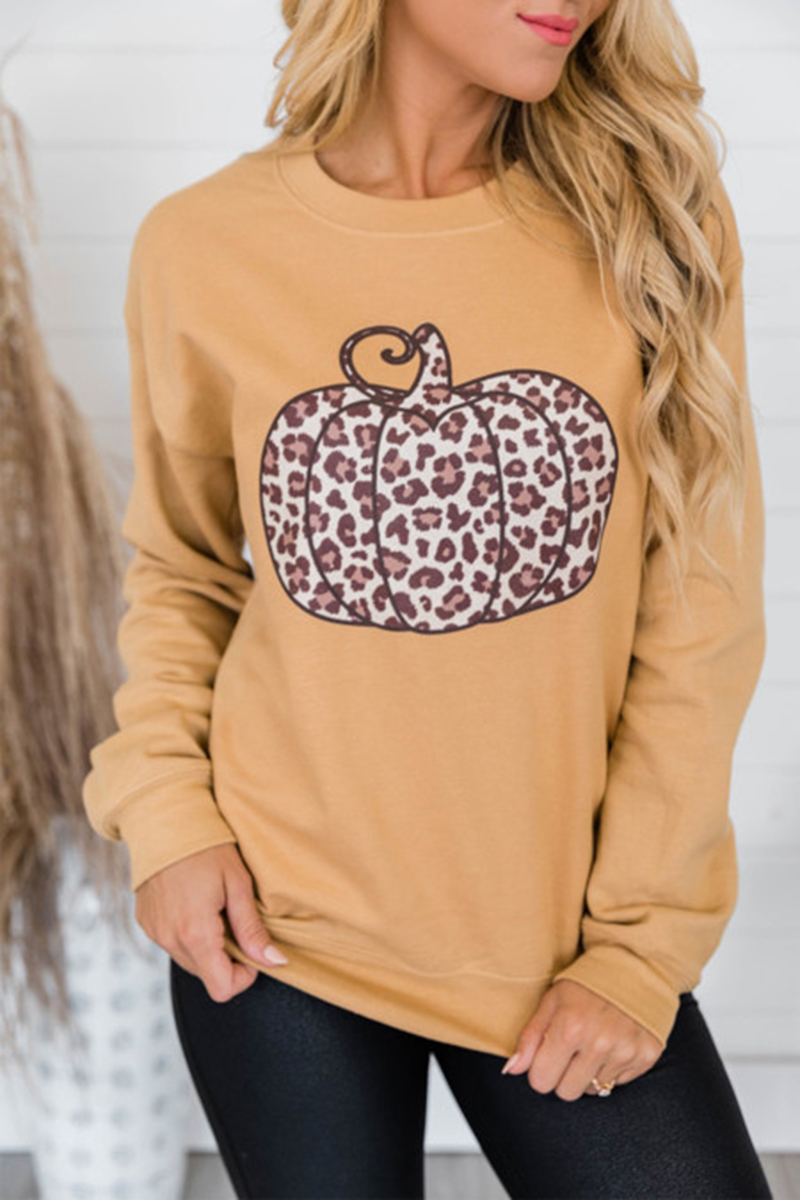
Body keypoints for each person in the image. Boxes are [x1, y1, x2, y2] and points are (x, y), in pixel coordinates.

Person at [82, 0, 774, 1196]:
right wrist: (168, 820)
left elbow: (698, 607)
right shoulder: (204, 244)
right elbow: (184, 568)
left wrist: (638, 943)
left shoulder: (650, 222)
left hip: (560, 942)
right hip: (280, 930)